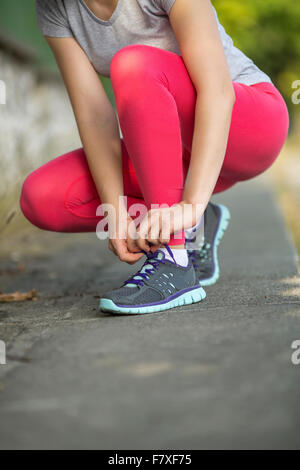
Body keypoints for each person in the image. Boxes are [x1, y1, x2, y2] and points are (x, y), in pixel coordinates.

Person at [20, 0, 289, 314]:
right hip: (173, 150)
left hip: (247, 124)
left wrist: (191, 204)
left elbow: (217, 91)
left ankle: (173, 257)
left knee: (133, 64)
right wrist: (115, 212)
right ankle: (197, 228)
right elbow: (95, 116)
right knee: (42, 197)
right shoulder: (54, 8)